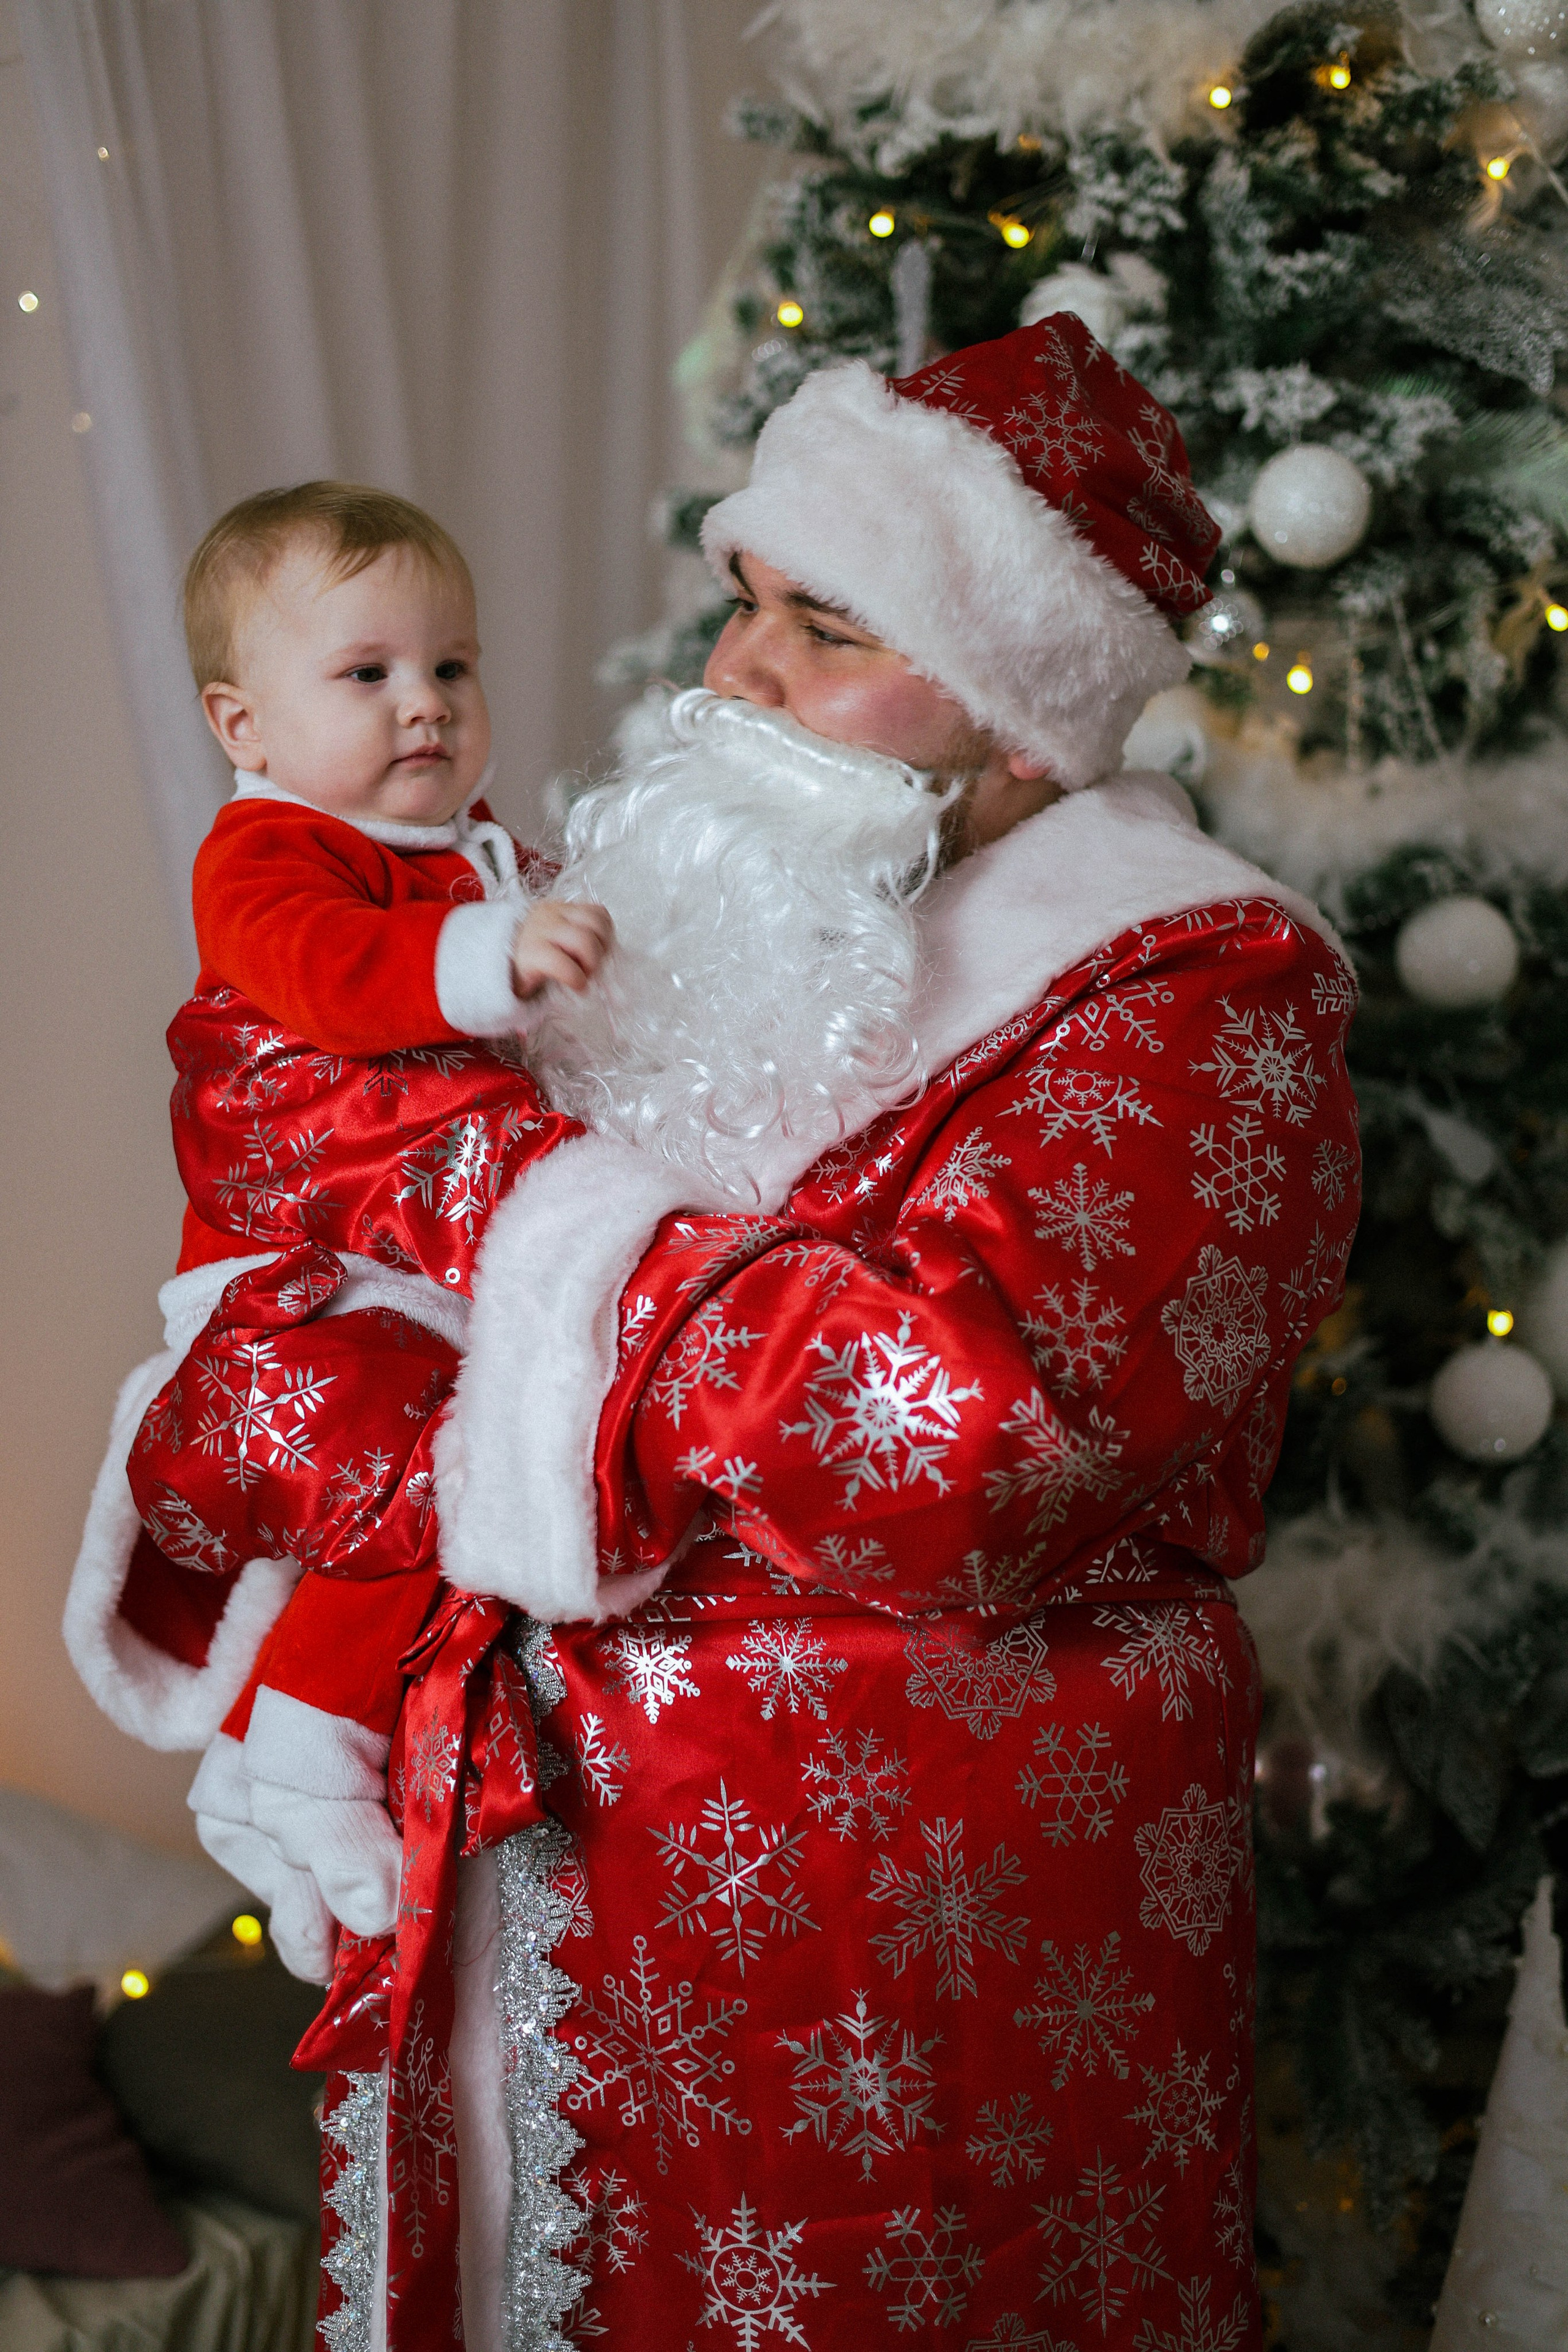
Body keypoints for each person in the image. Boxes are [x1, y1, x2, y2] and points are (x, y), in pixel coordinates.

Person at [70, 315, 1361, 2350]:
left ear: (1023, 719)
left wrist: (490, 1218)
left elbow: (957, 1442)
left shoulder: (1195, 993)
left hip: (900, 1957)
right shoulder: (718, 902)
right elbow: (285, 1206)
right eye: (746, 599)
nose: (735, 669)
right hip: (537, 1880)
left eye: (823, 629)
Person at [121, 483, 610, 1973]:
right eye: (367, 673)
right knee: (437, 1482)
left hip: (420, 1274)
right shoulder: (265, 851)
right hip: (297, 1289)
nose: (426, 704)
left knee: (482, 1477)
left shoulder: (477, 850)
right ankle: (306, 1749)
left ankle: (259, 1753)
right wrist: (496, 951)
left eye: (451, 666)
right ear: (244, 726)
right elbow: (331, 973)